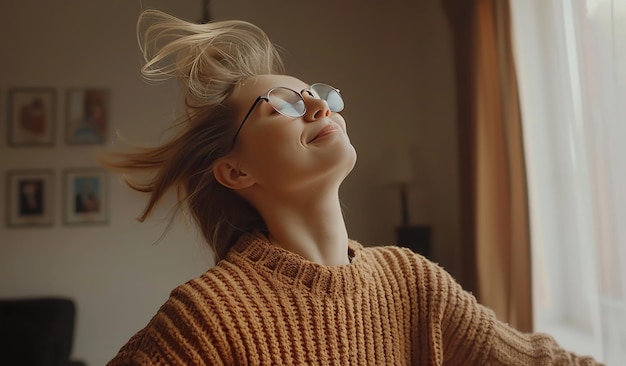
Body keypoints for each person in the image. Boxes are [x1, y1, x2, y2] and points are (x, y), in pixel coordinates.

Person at [105, 9, 602, 366]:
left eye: (317, 95)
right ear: (236, 173)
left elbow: (533, 359)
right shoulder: (209, 317)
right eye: (284, 104)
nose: (322, 108)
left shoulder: (411, 282)